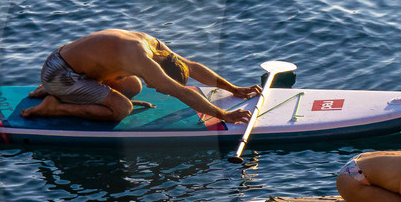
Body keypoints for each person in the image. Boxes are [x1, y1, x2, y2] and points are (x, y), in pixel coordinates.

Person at [23, 28, 260, 124]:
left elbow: (192, 66)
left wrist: (233, 88)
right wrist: (223, 115)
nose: (157, 89)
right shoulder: (143, 61)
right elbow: (180, 92)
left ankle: (56, 88)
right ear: (161, 73)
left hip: (63, 59)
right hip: (60, 73)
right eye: (160, 84)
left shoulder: (153, 46)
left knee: (134, 86)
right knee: (122, 108)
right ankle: (54, 105)